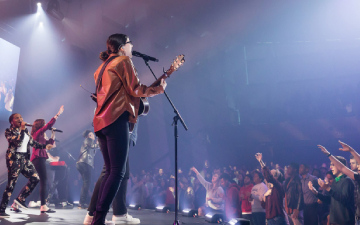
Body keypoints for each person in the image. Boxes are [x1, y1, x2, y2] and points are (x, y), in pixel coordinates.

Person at [90, 33, 167, 225]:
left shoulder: (100, 68)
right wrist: (158, 89)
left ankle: (96, 217)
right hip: (115, 119)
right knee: (117, 171)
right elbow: (136, 89)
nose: (133, 46)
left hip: (100, 122)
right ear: (122, 47)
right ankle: (98, 220)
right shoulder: (123, 61)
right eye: (130, 43)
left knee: (110, 171)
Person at [0, 113, 53, 218]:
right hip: (14, 159)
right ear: (12, 121)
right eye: (17, 118)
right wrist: (23, 129)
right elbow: (18, 142)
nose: (20, 119)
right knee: (11, 184)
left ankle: (20, 199)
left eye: (21, 117)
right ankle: (1, 210)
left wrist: (45, 146)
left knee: (35, 178)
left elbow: (33, 143)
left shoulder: (26, 132)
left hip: (24, 159)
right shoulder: (9, 131)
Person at [309, 144, 355, 225]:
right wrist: (316, 192)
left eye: (333, 165)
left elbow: (345, 200)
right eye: (330, 165)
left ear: (341, 166)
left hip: (344, 222)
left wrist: (328, 189)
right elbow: (331, 200)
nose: (331, 167)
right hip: (335, 221)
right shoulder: (335, 181)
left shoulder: (347, 181)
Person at [30, 105, 64, 213]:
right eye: (44, 124)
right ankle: (43, 205)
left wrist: (53, 133)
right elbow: (49, 124)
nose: (46, 126)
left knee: (39, 181)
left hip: (41, 158)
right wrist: (58, 114)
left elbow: (50, 144)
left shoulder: (42, 136)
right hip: (38, 158)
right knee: (43, 181)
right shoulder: (37, 133)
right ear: (40, 125)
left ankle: (20, 200)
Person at [255, 153, 287, 225]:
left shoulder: (278, 187)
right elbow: (264, 206)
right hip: (270, 220)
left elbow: (269, 177)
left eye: (271, 174)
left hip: (277, 219)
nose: (266, 177)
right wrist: (264, 198)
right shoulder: (269, 190)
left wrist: (261, 162)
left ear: (275, 178)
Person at [76, 130, 99, 209]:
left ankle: (81, 203)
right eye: (90, 135)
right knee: (87, 183)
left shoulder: (89, 142)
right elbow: (94, 146)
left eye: (92, 134)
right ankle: (81, 203)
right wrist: (99, 143)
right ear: (87, 136)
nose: (92, 136)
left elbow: (94, 150)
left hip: (82, 163)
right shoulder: (88, 140)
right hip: (85, 163)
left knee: (86, 183)